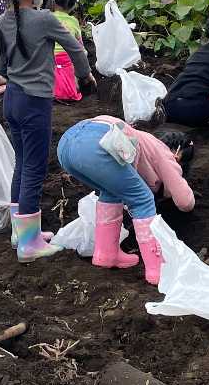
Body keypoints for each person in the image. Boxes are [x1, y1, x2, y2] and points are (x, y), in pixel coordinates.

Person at [0, 0, 95, 258]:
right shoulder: (44, 19)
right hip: (35, 102)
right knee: (35, 168)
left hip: (11, 99)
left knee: (22, 163)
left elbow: (0, 67)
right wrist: (85, 76)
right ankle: (29, 243)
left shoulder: (3, 19)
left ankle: (19, 231)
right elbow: (76, 50)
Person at [58, 118, 195, 284]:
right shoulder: (164, 152)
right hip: (96, 143)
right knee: (143, 199)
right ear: (178, 154)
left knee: (111, 191)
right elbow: (184, 201)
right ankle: (157, 270)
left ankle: (106, 254)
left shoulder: (144, 140)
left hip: (66, 144)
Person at [48, 0, 86, 103]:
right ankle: (73, 87)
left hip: (48, 59)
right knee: (78, 56)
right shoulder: (73, 21)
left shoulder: (45, 17)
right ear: (74, 4)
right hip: (68, 60)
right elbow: (79, 46)